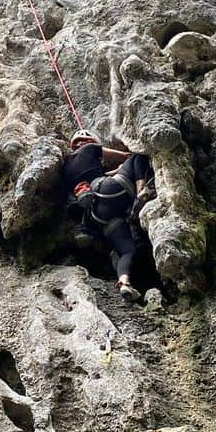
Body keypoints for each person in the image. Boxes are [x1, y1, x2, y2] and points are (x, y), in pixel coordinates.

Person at [62, 129, 155, 302]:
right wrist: (126, 159)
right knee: (138, 157)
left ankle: (124, 282)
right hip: (108, 191)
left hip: (96, 215)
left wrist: (117, 171)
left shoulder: (66, 167)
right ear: (90, 141)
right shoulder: (90, 148)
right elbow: (125, 156)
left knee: (127, 250)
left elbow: (95, 176)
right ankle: (142, 189)